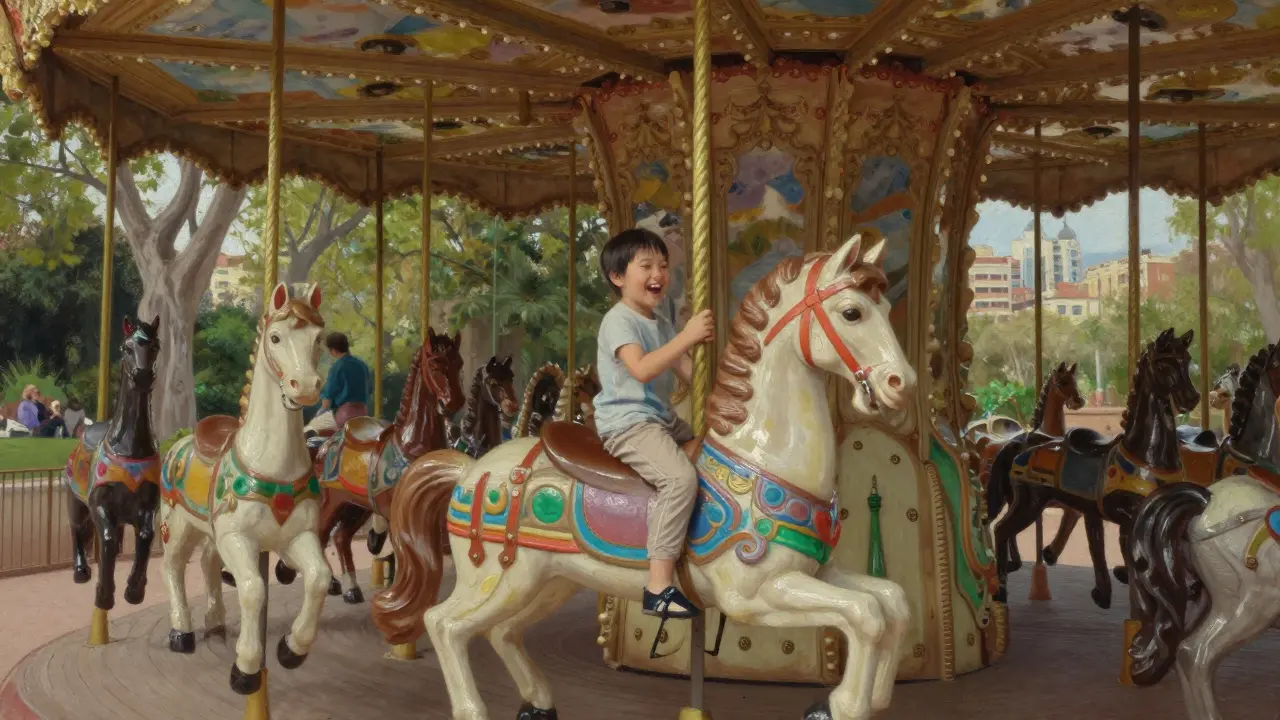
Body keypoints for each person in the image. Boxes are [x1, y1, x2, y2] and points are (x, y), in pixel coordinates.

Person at [594, 227, 714, 621]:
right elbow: (642, 369)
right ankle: (658, 586)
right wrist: (687, 336)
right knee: (679, 478)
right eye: (645, 265)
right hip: (627, 423)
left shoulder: (658, 320)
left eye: (662, 265)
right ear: (618, 277)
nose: (657, 273)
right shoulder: (619, 321)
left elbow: (685, 372)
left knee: (714, 456)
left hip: (659, 419)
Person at [320, 332, 372, 429]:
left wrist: (322, 410)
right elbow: (369, 387)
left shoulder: (337, 367)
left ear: (333, 350)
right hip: (363, 413)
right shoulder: (361, 364)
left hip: (345, 414)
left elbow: (328, 394)